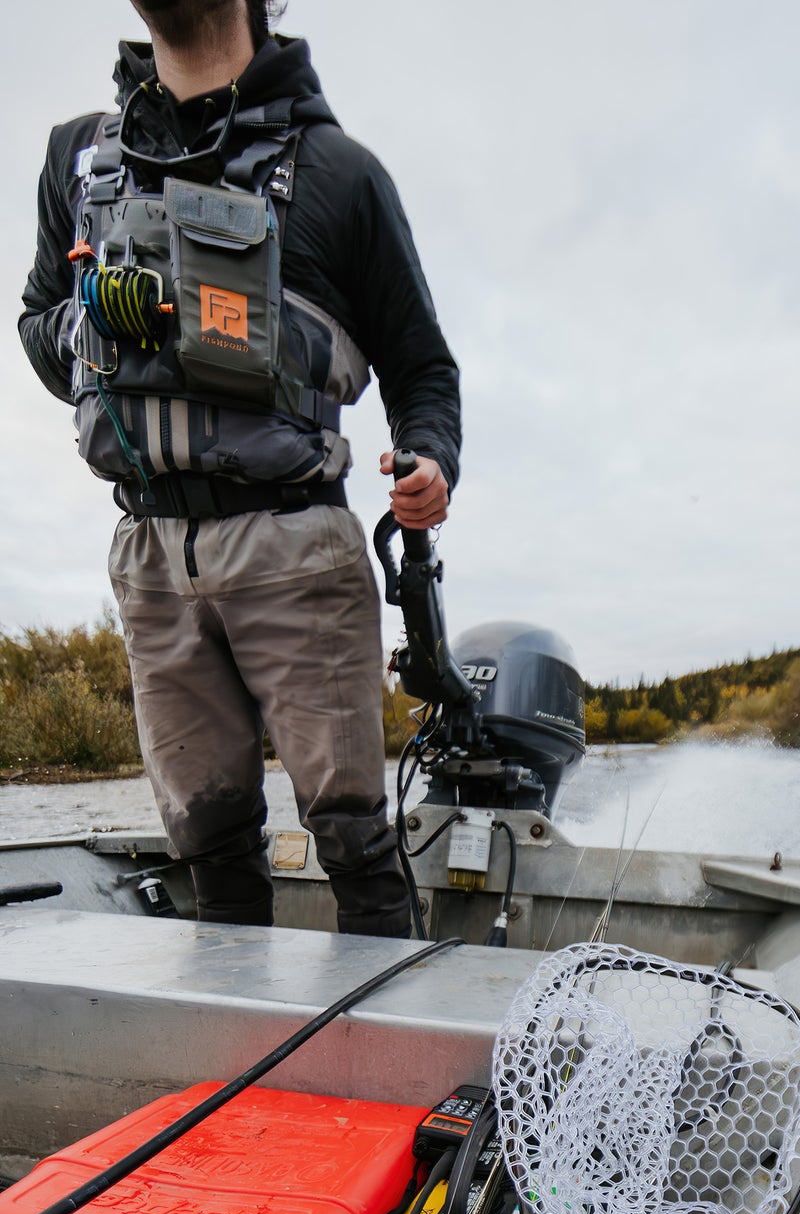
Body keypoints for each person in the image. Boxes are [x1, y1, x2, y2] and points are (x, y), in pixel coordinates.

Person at [19, 0, 461, 935]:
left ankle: (389, 1065)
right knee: (209, 850)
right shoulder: (73, 159)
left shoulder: (343, 175)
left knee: (353, 844)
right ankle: (244, 1075)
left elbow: (422, 368)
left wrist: (430, 460)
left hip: (299, 545)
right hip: (148, 559)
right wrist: (95, 319)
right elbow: (35, 320)